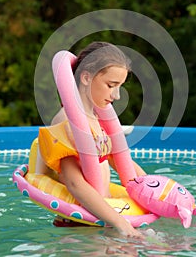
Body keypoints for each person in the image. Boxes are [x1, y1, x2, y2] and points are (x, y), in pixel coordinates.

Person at [35, 42, 146, 237]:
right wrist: (120, 223)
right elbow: (74, 183)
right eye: (111, 85)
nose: (117, 95)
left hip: (102, 219)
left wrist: (157, 192)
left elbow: (118, 160)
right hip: (79, 227)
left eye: (119, 86)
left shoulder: (97, 118)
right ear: (86, 77)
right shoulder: (66, 121)